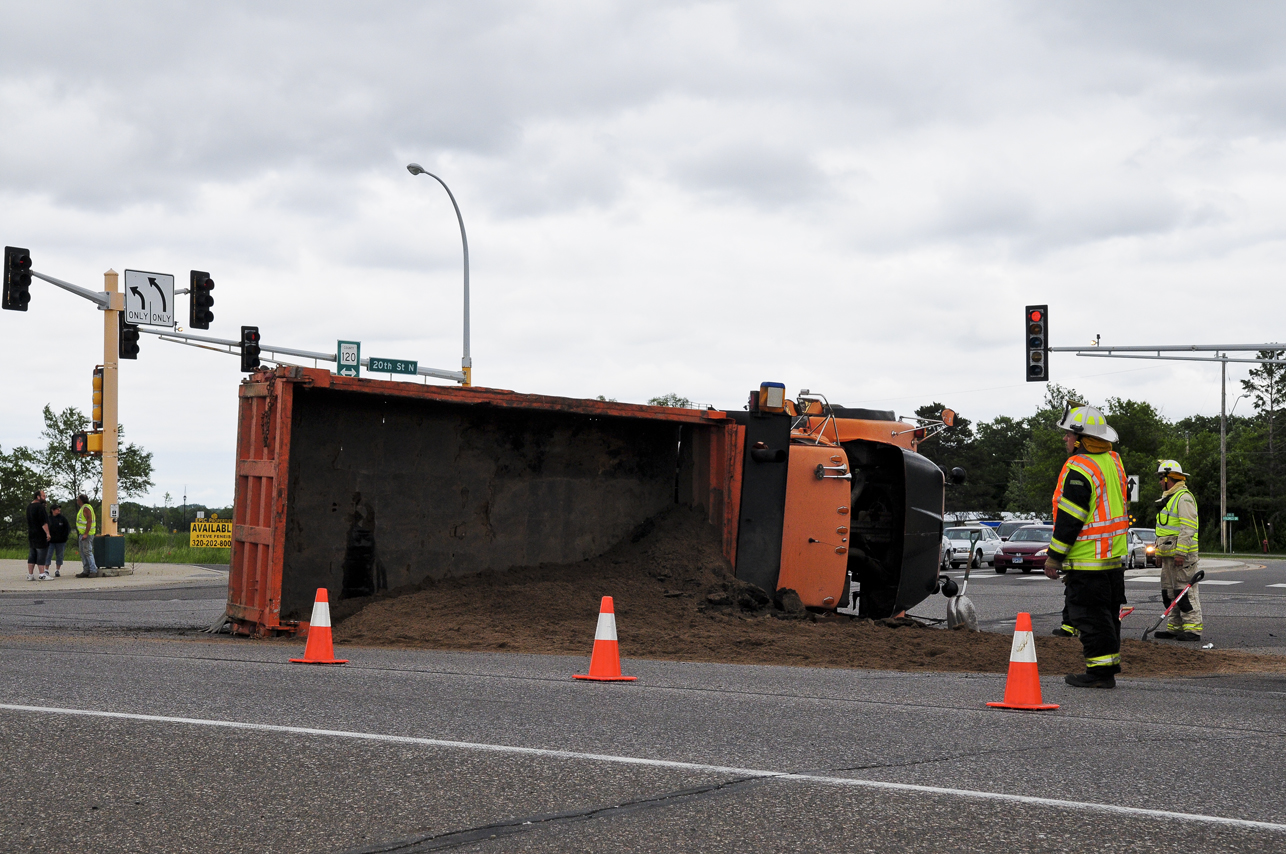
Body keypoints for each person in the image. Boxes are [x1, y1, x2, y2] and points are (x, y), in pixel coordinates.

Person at [1042, 404, 1130, 689]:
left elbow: (1071, 518)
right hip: (1112, 561)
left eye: (1068, 434)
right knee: (1107, 618)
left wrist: (1054, 558)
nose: (1064, 439)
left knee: (1090, 618)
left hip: (1088, 561)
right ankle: (1106, 668)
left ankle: (1100, 674)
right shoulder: (1113, 461)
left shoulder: (1079, 467)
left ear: (1081, 439)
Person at [1153, 460, 1202, 641]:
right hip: (1168, 556)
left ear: (1168, 478)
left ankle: (1193, 629)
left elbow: (1188, 528)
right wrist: (1158, 552)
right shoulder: (1169, 498)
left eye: (1160, 478)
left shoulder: (1184, 497)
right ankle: (1175, 627)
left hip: (1182, 556)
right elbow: (1162, 530)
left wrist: (1181, 553)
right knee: (1169, 592)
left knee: (1184, 592)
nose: (1159, 482)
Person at [26, 489, 51, 581]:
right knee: (41, 554)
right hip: (40, 534)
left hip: (32, 533)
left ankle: (30, 574)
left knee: (32, 554)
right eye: (43, 496)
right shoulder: (40, 507)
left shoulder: (29, 507)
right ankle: (42, 574)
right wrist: (47, 533)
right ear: (38, 497)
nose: (45, 497)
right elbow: (43, 522)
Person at [75, 494, 99, 578]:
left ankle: (93, 570)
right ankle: (86, 570)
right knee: (83, 552)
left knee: (87, 552)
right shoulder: (86, 507)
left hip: (87, 534)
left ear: (81, 500)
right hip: (84, 533)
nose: (77, 501)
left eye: (78, 499)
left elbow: (89, 520)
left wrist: (86, 533)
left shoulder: (86, 508)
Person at [48, 504, 71, 578]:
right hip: (50, 541)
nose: (59, 510)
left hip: (61, 541)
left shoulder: (63, 519)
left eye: (59, 509)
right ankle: (46, 570)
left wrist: (64, 537)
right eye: (57, 509)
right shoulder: (48, 519)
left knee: (60, 555)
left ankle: (57, 570)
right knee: (48, 555)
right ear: (52, 510)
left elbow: (67, 528)